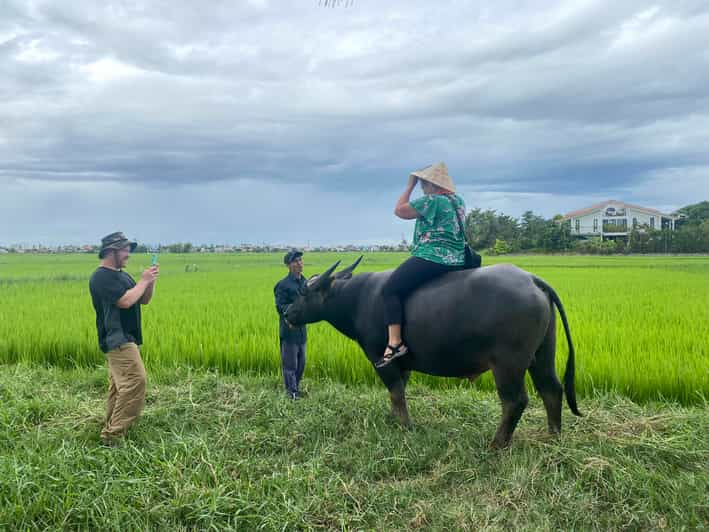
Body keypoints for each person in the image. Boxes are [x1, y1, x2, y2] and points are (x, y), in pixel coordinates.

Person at [376, 162, 467, 368]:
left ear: (431, 184)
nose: (422, 188)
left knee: (390, 289)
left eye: (423, 184)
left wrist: (409, 186)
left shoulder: (432, 201)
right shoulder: (458, 200)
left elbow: (399, 210)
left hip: (433, 256)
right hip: (457, 258)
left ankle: (395, 343)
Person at [89, 232, 159, 445]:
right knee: (135, 381)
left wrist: (150, 282)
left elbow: (143, 300)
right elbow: (125, 301)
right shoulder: (101, 276)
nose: (128, 254)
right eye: (125, 249)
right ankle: (114, 435)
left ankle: (111, 427)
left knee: (119, 387)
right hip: (117, 339)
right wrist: (143, 280)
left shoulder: (123, 275)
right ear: (111, 251)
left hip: (127, 338)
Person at [274, 250, 308, 399]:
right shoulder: (283, 285)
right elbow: (280, 307)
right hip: (289, 330)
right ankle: (292, 393)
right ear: (288, 265)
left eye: (300, 260)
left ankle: (296, 388)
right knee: (290, 365)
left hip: (302, 331)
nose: (299, 263)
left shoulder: (304, 282)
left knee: (301, 364)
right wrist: (293, 314)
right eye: (295, 261)